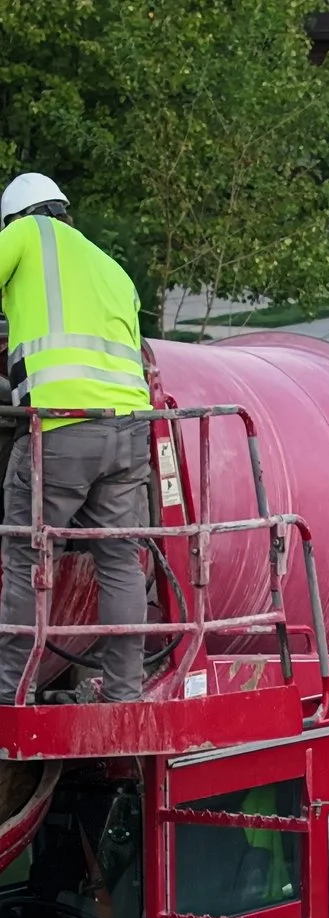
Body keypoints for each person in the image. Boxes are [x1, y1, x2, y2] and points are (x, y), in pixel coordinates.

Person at [0, 173, 153, 703]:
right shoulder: (113, 268)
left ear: (15, 218)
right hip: (130, 432)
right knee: (119, 558)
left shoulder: (26, 235)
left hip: (63, 430)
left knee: (25, 554)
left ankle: (8, 694)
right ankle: (123, 692)